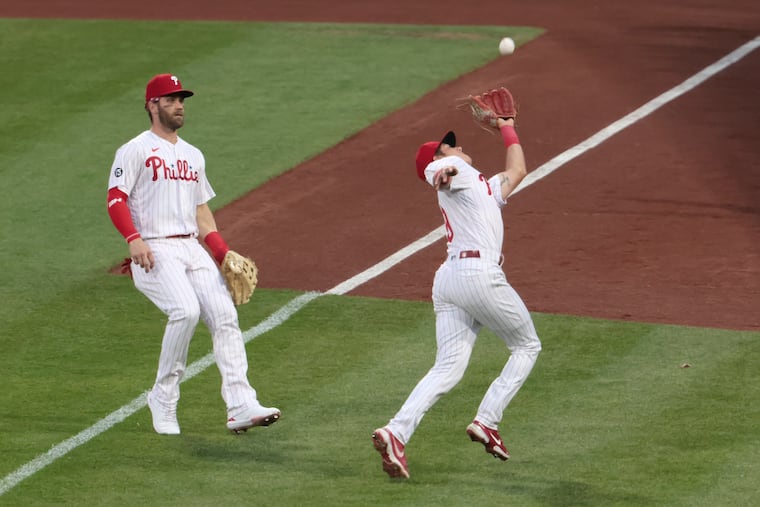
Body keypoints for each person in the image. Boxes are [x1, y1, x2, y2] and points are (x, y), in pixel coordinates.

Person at [372, 106, 542, 478]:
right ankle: (487, 420)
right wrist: (444, 170)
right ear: (439, 158)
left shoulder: (481, 185)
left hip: (449, 281)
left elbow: (518, 171)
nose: (458, 146)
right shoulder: (454, 172)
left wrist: (507, 128)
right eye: (449, 146)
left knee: (447, 367)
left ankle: (395, 432)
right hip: (477, 275)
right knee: (527, 346)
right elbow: (436, 172)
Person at [106, 73, 280, 435]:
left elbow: (201, 211)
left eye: (181, 99)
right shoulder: (134, 149)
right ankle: (163, 397)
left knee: (225, 316)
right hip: (154, 248)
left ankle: (240, 405)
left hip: (190, 247)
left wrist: (220, 252)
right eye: (170, 99)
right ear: (152, 105)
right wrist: (133, 239)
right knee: (185, 311)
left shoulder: (192, 155)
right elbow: (116, 198)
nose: (179, 105)